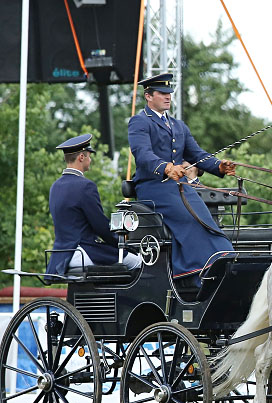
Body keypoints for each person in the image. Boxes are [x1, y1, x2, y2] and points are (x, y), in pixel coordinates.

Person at [127, 73, 236, 283]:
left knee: (206, 221)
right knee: (189, 220)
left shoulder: (178, 126)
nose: (167, 97)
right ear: (148, 96)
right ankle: (195, 274)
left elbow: (197, 155)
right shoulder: (139, 122)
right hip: (153, 187)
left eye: (169, 93)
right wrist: (166, 168)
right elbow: (142, 153)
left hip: (179, 188)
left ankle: (225, 261)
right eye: (162, 93)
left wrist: (219, 166)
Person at [45, 133, 142, 277]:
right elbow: (99, 225)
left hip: (60, 257)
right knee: (138, 262)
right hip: (83, 252)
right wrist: (122, 244)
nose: (90, 160)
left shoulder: (55, 186)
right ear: (81, 157)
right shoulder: (85, 186)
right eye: (89, 156)